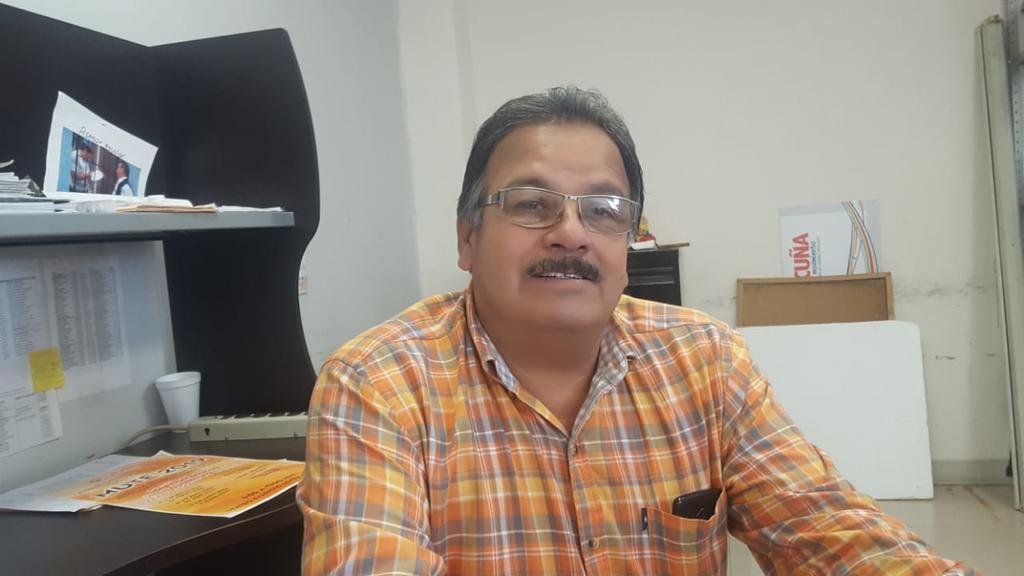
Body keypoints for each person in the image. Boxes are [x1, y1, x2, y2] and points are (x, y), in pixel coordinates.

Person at [297, 86, 975, 575]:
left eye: (603, 210)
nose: (570, 233)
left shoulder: (703, 358)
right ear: (468, 238)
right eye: (531, 204)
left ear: (629, 243)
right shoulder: (377, 383)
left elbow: (823, 525)